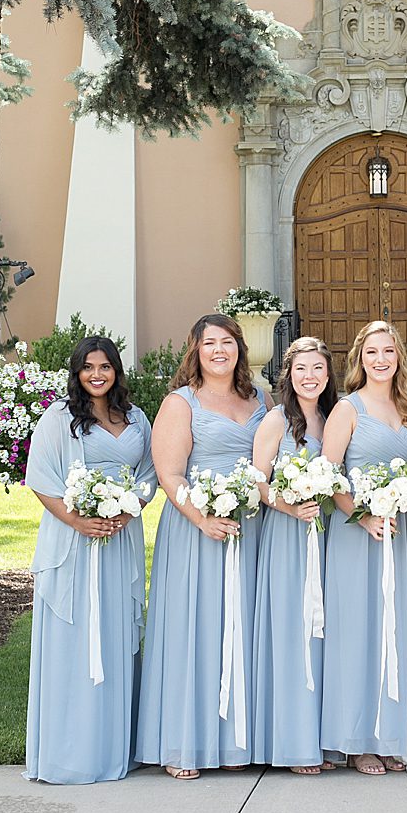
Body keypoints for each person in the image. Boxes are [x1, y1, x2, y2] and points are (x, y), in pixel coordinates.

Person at [135, 313, 269, 778]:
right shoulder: (180, 403)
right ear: (195, 349)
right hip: (196, 531)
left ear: (239, 349)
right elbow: (170, 475)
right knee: (196, 629)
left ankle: (234, 744)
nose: (219, 350)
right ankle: (184, 744)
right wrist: (203, 517)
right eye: (209, 342)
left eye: (228, 341)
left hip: (250, 529)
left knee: (243, 628)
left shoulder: (260, 399)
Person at [25, 336, 156, 784]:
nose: (96, 375)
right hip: (75, 542)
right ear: (76, 373)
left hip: (120, 539)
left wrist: (130, 506)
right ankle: (71, 754)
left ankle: (114, 748)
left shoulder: (136, 416)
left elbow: (150, 473)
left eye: (105, 367)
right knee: (76, 638)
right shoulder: (59, 418)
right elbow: (41, 478)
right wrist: (77, 521)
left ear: (116, 370)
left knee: (118, 634)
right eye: (87, 368)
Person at [320, 321, 407, 776]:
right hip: (357, 534)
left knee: (398, 629)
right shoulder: (348, 408)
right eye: (371, 352)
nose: (380, 360)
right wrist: (361, 515)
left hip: (402, 534)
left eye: (388, 351)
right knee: (357, 633)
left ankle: (390, 735)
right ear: (360, 359)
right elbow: (329, 473)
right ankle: (357, 740)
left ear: (399, 357)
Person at [250, 337, 339, 773]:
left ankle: (324, 737)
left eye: (318, 369)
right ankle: (293, 742)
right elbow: (257, 480)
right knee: (292, 633)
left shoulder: (333, 418)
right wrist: (289, 503)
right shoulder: (275, 421)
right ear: (289, 374)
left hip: (328, 538)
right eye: (302, 369)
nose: (311, 377)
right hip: (288, 537)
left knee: (326, 635)